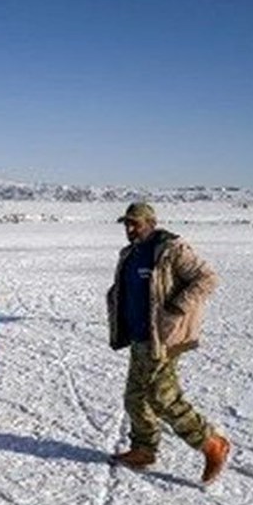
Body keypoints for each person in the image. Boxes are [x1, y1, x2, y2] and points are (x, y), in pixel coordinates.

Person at [106, 201, 230, 485]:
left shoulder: (171, 249)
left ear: (150, 222)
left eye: (134, 223)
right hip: (139, 337)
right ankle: (143, 449)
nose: (129, 228)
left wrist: (176, 306)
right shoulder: (130, 253)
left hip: (164, 337)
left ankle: (212, 443)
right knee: (135, 397)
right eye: (126, 223)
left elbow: (207, 279)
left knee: (162, 397)